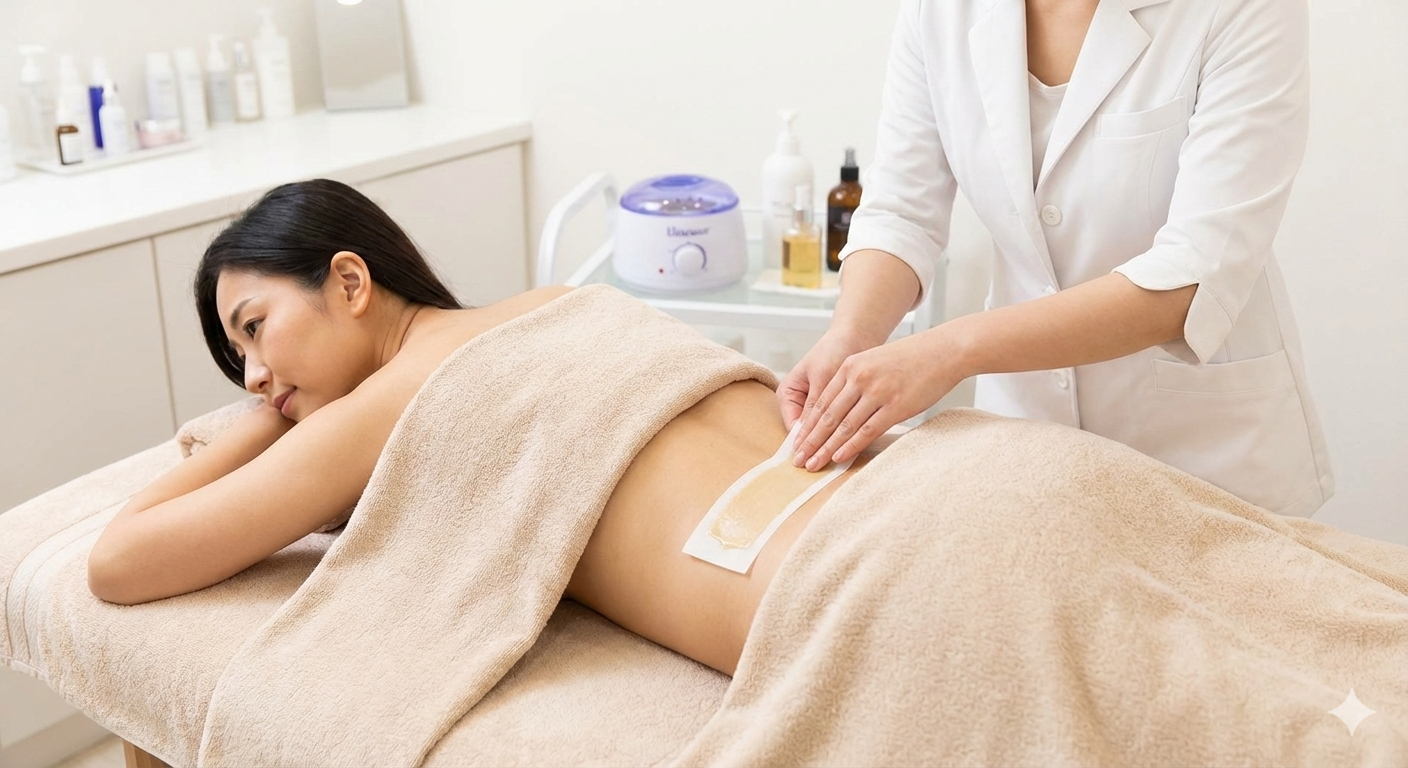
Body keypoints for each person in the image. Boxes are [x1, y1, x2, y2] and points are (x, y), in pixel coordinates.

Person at [85, 179, 891, 676]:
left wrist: (267, 424)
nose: (254, 377)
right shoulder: (557, 303)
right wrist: (283, 397)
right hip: (899, 491)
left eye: (255, 330)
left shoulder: (382, 408)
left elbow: (116, 562)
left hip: (844, 594)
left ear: (350, 281)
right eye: (240, 362)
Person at [781, 0, 1333, 518]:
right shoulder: (943, 10)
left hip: (1201, 450)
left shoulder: (1243, 9)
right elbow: (902, 211)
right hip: (1024, 437)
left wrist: (950, 351)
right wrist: (852, 335)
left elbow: (1193, 276)